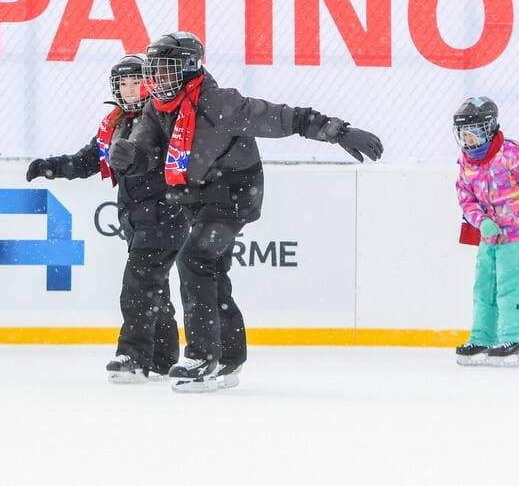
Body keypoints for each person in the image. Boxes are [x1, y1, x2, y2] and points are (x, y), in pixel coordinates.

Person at [107, 31, 383, 392]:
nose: (155, 77)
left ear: (190, 68)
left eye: (165, 68)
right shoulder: (155, 109)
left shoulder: (221, 103)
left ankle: (203, 356)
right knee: (213, 271)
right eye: (153, 69)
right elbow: (147, 152)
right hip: (197, 197)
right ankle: (230, 358)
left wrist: (339, 131)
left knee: (196, 259)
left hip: (234, 193)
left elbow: (286, 118)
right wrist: (130, 158)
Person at [26, 54, 189, 384]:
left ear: (150, 83)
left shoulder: (161, 117)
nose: (130, 89)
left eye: (136, 81)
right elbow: (89, 160)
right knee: (155, 289)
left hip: (165, 214)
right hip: (140, 219)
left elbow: (173, 158)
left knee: (138, 287)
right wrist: (51, 167)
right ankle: (161, 358)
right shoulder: (115, 124)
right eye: (123, 83)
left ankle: (134, 356)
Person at [452, 97, 519, 368]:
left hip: (517, 233)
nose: (468, 140)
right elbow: (465, 195)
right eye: (463, 135)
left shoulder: (509, 154)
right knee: (484, 287)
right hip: (489, 236)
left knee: (509, 287)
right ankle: (482, 338)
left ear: (489, 128)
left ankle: (514, 338)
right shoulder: (466, 161)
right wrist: (480, 221)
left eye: (474, 133)